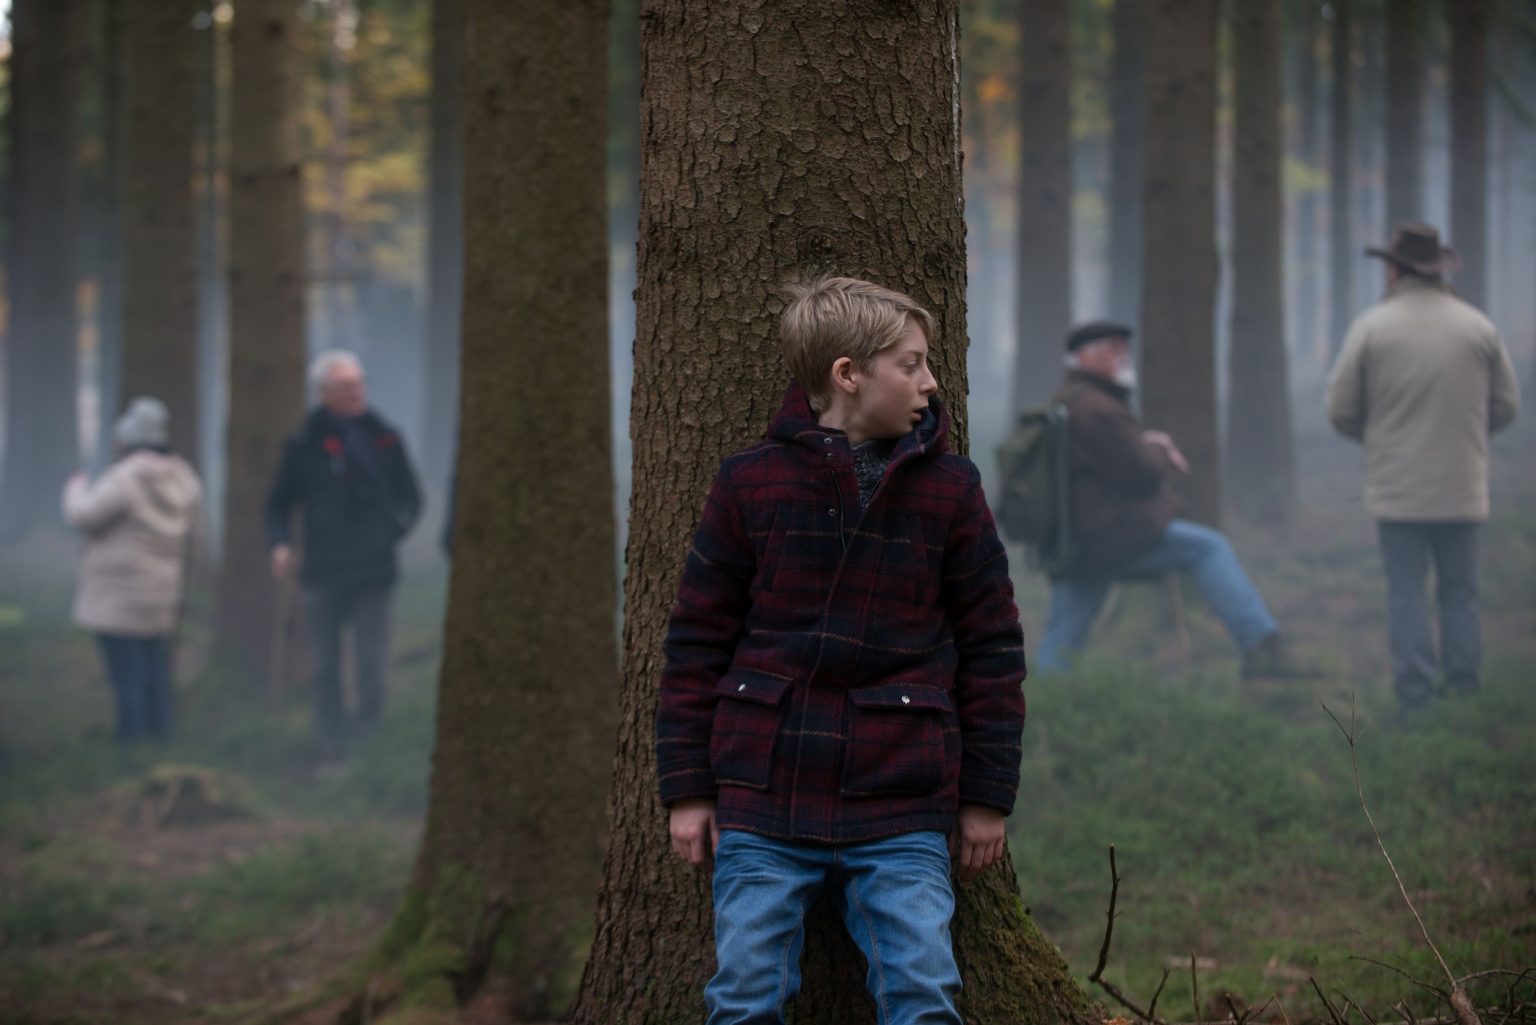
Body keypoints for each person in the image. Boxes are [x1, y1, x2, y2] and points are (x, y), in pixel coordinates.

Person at [656, 276, 1027, 1024]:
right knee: (742, 999)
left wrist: (987, 796)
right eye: (912, 363)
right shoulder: (749, 483)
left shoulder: (951, 489)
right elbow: (696, 641)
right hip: (762, 797)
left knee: (923, 996)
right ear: (847, 374)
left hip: (903, 800)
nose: (931, 382)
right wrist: (689, 787)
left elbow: (992, 647)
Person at [1033, 321, 1313, 679]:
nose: (1123, 356)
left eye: (1124, 348)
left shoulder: (1070, 401)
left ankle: (1045, 709)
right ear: (1084, 358)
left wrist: (1144, 444)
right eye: (1113, 349)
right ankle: (1262, 647)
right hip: (1106, 537)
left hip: (1076, 540)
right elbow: (1140, 476)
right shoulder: (1097, 410)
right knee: (1209, 547)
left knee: (1064, 634)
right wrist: (1159, 450)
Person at [1327, 222, 1520, 711]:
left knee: (1406, 592)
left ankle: (1414, 697)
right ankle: (1464, 690)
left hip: (1398, 491)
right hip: (1462, 484)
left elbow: (1341, 410)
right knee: (1461, 591)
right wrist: (1468, 435)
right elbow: (1506, 406)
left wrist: (1380, 437)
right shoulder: (1478, 327)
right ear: (1436, 269)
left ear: (1394, 271)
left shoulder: (1371, 328)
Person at [265, 350, 422, 759]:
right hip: (323, 572)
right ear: (324, 394)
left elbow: (411, 497)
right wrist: (280, 545)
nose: (356, 392)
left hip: (374, 571)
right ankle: (329, 745)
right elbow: (278, 503)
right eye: (345, 386)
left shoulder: (386, 438)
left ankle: (368, 743)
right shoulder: (303, 445)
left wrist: (392, 531)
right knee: (325, 669)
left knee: (372, 665)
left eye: (359, 383)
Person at [62, 397, 201, 742]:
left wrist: (74, 491)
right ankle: (160, 741)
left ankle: (132, 749)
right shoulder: (184, 479)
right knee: (155, 674)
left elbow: (86, 517)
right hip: (163, 593)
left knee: (127, 679)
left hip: (118, 598)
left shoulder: (125, 478)